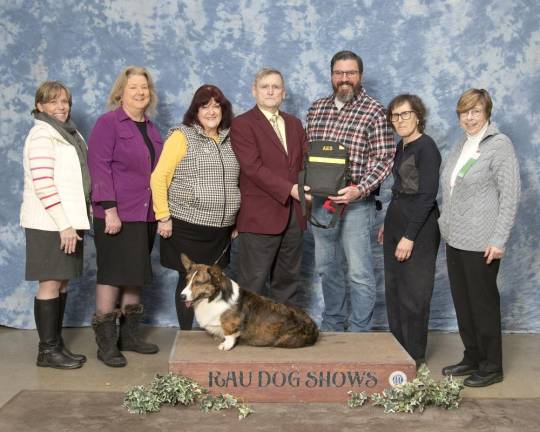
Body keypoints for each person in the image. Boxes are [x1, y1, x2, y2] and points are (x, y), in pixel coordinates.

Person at [306, 51, 395, 331]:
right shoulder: (317, 108)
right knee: (326, 267)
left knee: (358, 272)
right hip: (322, 203)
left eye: (351, 73)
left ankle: (359, 331)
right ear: (332, 76)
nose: (345, 79)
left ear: (360, 76)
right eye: (339, 73)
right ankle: (333, 323)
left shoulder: (374, 110)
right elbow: (307, 154)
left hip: (356, 203)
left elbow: (383, 159)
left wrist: (359, 189)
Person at [440, 89, 520, 387]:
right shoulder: (462, 143)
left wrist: (499, 240)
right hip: (455, 239)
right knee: (463, 303)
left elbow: (510, 195)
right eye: (464, 112)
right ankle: (472, 356)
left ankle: (491, 366)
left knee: (483, 305)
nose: (469, 118)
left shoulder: (499, 145)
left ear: (487, 113)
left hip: (482, 242)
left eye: (475, 112)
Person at [88, 66, 163, 367]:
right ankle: (106, 343)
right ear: (121, 92)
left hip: (145, 214)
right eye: (133, 87)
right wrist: (109, 209)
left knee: (134, 275)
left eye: (144, 87)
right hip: (116, 213)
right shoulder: (108, 124)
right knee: (112, 276)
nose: (140, 92)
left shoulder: (152, 128)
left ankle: (129, 337)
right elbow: (99, 166)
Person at [150, 84, 240, 330]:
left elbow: (238, 180)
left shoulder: (230, 137)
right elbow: (159, 178)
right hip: (187, 225)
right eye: (204, 106)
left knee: (215, 283)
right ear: (195, 110)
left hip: (220, 230)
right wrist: (163, 217)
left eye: (216, 105)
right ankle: (187, 337)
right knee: (190, 284)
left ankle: (212, 331)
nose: (211, 111)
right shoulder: (182, 135)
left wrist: (236, 220)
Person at [20, 81, 90, 369]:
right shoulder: (41, 136)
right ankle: (47, 351)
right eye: (53, 102)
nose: (61, 107)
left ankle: (55, 345)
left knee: (61, 283)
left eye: (65, 101)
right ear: (40, 106)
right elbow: (44, 184)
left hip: (69, 223)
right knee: (50, 283)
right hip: (50, 224)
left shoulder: (69, 133)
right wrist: (64, 225)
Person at [230, 68, 309, 306]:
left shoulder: (294, 123)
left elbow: (307, 161)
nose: (271, 91)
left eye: (276, 87)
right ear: (255, 91)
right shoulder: (242, 124)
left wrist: (317, 184)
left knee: (288, 282)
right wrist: (291, 189)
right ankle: (245, 335)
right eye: (265, 86)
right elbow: (253, 168)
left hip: (294, 216)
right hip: (259, 216)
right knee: (253, 282)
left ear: (283, 93)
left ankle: (283, 333)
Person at [377, 94, 441, 368]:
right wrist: (388, 224)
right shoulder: (401, 147)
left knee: (414, 294)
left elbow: (427, 196)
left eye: (405, 114)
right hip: (396, 222)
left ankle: (414, 357)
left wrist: (409, 236)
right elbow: (401, 190)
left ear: (418, 115)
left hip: (420, 227)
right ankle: (397, 352)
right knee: (394, 290)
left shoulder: (427, 147)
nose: (399, 120)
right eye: (395, 115)